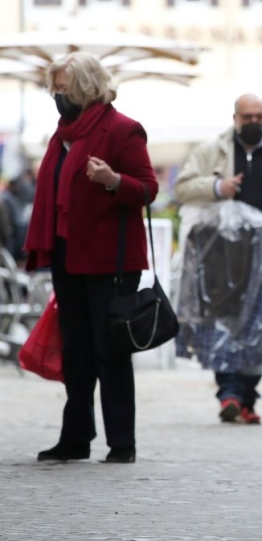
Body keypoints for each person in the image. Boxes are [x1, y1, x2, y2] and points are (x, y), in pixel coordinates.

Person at [24, 51, 159, 464]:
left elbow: (148, 189)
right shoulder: (62, 134)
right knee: (76, 352)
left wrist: (113, 180)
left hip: (110, 262)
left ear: (86, 87)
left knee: (110, 351)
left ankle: (122, 443)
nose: (58, 97)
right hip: (68, 256)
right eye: (55, 90)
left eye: (64, 89)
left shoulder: (123, 130)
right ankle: (76, 437)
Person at [173, 94, 262, 424]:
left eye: (259, 117)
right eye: (247, 117)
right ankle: (230, 394)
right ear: (235, 118)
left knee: (259, 330)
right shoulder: (212, 151)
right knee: (225, 325)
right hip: (222, 255)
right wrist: (218, 186)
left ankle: (247, 396)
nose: (253, 122)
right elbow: (183, 187)